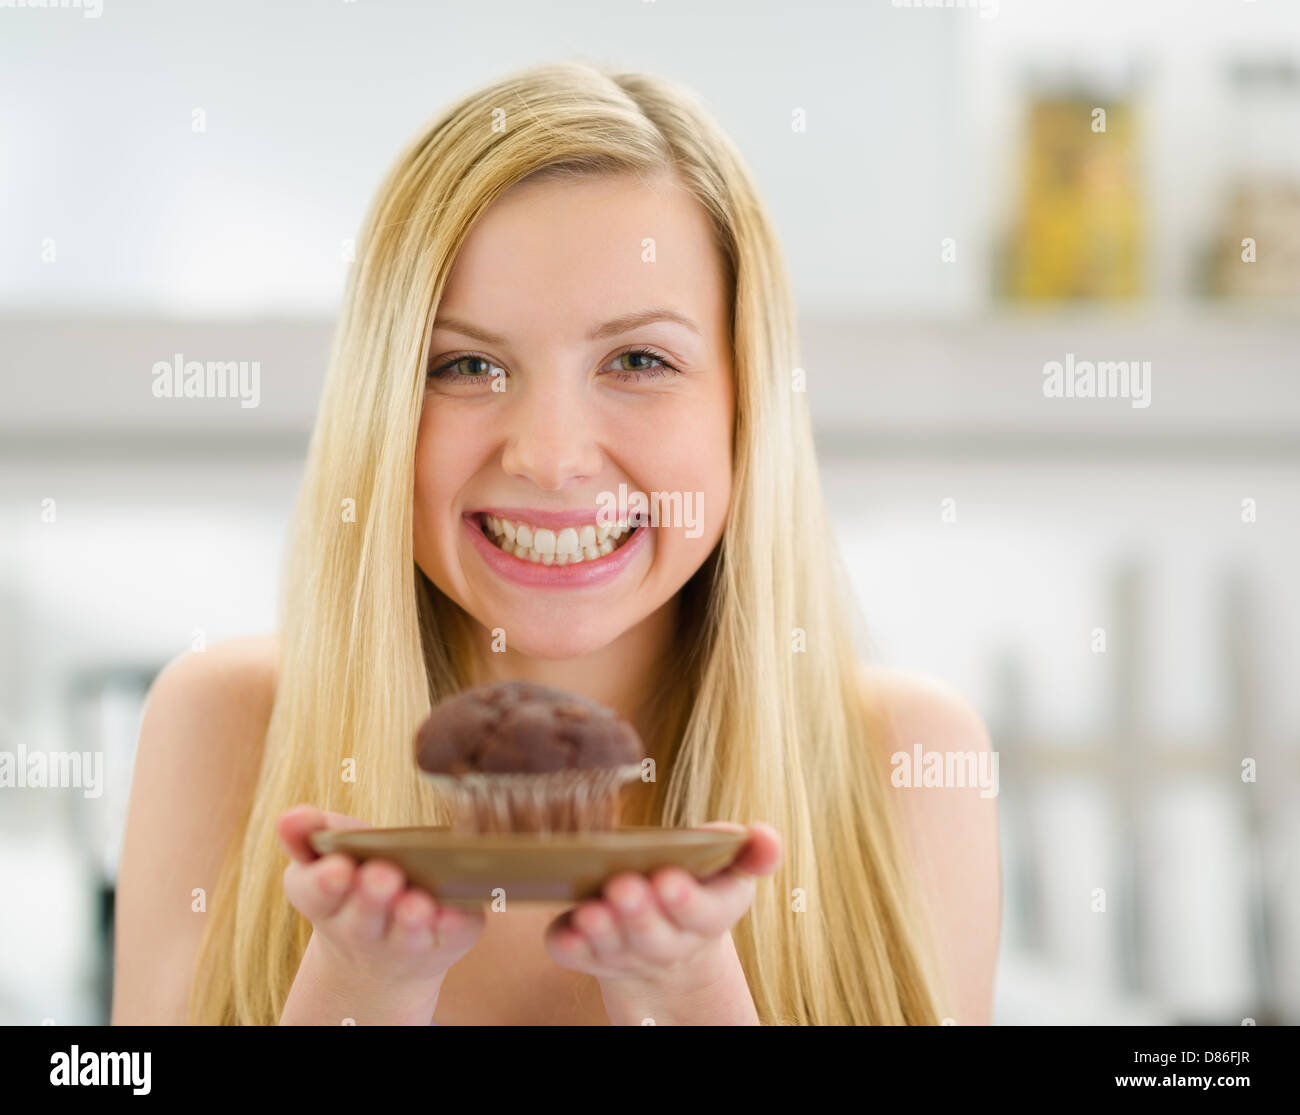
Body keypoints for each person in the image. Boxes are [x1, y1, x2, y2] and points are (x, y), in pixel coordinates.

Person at [111, 60, 999, 1026]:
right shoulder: (226, 726)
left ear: (745, 404)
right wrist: (361, 988)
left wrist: (690, 993)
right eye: (468, 364)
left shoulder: (909, 761)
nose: (550, 457)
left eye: (638, 360)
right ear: (383, 404)